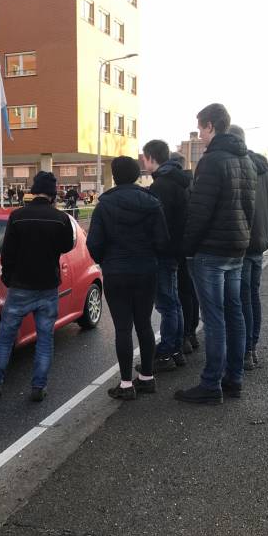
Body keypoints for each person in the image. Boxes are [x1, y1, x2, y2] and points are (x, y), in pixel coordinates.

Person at [176, 103, 256, 404]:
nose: (200, 135)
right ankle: (234, 379)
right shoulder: (246, 160)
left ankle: (211, 386)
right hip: (237, 248)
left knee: (215, 319)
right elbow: (249, 209)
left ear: (210, 126)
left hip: (210, 250)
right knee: (234, 313)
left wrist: (187, 248)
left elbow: (199, 212)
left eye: (200, 129)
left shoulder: (212, 161)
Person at [0, 171, 75, 401]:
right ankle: (38, 387)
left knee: (6, 337)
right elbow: (66, 247)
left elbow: (7, 253)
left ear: (33, 190)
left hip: (20, 286)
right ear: (53, 194)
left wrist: (9, 279)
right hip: (48, 286)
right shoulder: (60, 219)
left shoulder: (17, 216)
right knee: (45, 338)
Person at [87, 156, 169, 400]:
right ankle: (147, 377)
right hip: (146, 269)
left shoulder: (104, 206)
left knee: (123, 327)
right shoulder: (152, 203)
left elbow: (94, 243)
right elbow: (163, 241)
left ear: (114, 175)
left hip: (116, 271)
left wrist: (105, 260)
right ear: (136, 175)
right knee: (144, 323)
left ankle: (125, 384)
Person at [141, 140, 191, 372]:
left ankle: (166, 352)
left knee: (166, 304)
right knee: (175, 301)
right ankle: (177, 349)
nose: (143, 161)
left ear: (152, 158)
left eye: (144, 157)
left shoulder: (161, 186)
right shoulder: (180, 180)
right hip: (178, 248)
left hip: (164, 251)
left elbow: (156, 223)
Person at [227, 125, 268, 369]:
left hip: (243, 242)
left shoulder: (240, 165)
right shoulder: (263, 168)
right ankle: (252, 346)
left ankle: (245, 350)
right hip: (260, 241)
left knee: (241, 299)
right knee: (253, 296)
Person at [169, 151, 200, 355]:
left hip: (176, 247)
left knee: (179, 295)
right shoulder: (194, 185)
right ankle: (191, 333)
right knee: (191, 292)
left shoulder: (171, 185)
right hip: (193, 246)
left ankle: (182, 338)